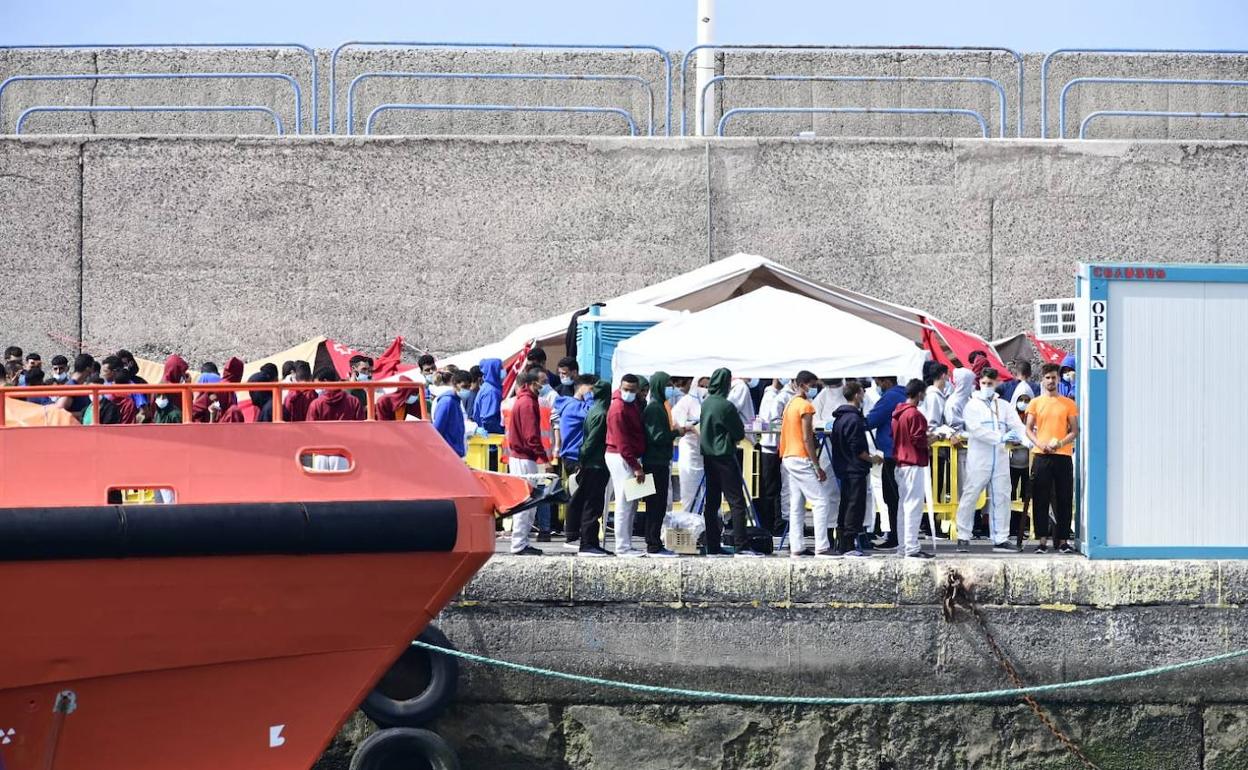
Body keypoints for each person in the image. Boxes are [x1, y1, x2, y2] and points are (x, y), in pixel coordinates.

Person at [955, 367, 1026, 553]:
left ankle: (1000, 538)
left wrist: (1029, 442)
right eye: (984, 383)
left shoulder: (1003, 406)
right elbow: (975, 429)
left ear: (997, 383)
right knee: (971, 494)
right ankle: (963, 536)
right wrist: (999, 437)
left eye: (990, 383)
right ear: (979, 383)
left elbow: (1018, 426)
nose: (987, 386)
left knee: (1002, 496)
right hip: (980, 458)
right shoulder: (972, 406)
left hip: (1000, 458)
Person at [699, 368, 759, 558]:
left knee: (712, 502)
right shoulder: (726, 406)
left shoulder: (706, 403)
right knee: (736, 501)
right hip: (724, 454)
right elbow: (739, 433)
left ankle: (713, 545)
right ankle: (741, 545)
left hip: (708, 456)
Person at [1025, 362, 1080, 554]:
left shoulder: (1068, 403)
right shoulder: (1035, 403)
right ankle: (1042, 541)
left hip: (1062, 455)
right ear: (1042, 380)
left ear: (1058, 379)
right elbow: (1028, 429)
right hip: (1041, 455)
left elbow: (1074, 431)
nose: (1051, 381)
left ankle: (1063, 540)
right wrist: (1040, 444)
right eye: (1047, 377)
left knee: (1064, 497)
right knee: (1040, 498)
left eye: (1054, 377)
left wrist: (1060, 443)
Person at [780, 371, 835, 557]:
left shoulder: (790, 404)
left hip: (788, 455)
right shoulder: (805, 406)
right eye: (812, 385)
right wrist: (816, 465)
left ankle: (797, 545)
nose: (814, 389)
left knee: (797, 503)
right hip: (801, 456)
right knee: (821, 501)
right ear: (804, 384)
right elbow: (807, 438)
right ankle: (822, 546)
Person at [831, 381, 881, 557]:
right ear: (857, 394)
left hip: (843, 467)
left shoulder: (839, 418)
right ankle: (848, 544)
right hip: (855, 469)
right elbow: (857, 448)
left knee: (846, 504)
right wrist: (872, 458)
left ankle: (842, 540)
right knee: (854, 505)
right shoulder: (854, 419)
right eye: (862, 392)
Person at [551, 374, 597, 550]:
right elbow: (590, 415)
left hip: (576, 455)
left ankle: (574, 533)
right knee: (577, 496)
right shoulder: (573, 407)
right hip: (574, 456)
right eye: (591, 389)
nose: (593, 393)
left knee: (579, 495)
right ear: (582, 388)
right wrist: (590, 398)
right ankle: (571, 536)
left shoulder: (574, 405)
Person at [568, 379, 613, 557]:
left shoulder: (593, 410)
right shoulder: (602, 413)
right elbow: (592, 440)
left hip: (591, 463)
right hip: (596, 464)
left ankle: (589, 541)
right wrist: (584, 457)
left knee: (589, 502)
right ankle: (588, 543)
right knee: (593, 504)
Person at [604, 374, 647, 557]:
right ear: (620, 387)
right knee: (624, 502)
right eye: (626, 389)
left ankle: (626, 543)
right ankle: (622, 546)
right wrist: (636, 466)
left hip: (627, 456)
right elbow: (622, 443)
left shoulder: (631, 405)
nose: (628, 392)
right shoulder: (618, 408)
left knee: (632, 502)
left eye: (632, 390)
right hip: (621, 457)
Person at [507, 371, 549, 555]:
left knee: (526, 502)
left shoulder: (522, 400)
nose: (542, 388)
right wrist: (544, 459)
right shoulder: (528, 403)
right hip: (525, 458)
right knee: (526, 503)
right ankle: (519, 544)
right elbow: (531, 435)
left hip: (521, 456)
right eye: (540, 384)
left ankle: (521, 542)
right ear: (532, 383)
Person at [892, 379, 934, 559]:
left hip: (901, 463)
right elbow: (919, 439)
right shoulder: (914, 415)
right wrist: (933, 438)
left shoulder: (898, 414)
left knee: (903, 507)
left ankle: (903, 546)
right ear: (919, 394)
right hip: (913, 463)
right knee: (913, 507)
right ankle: (911, 547)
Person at [639, 371, 679, 557]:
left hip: (659, 460)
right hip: (655, 462)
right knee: (656, 504)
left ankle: (654, 542)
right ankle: (653, 544)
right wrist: (676, 432)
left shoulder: (659, 406)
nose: (671, 389)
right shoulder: (655, 408)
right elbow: (657, 436)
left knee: (658, 504)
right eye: (668, 385)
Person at [866, 375, 907, 550]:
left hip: (891, 453)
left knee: (891, 497)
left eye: (879, 383)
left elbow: (871, 420)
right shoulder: (903, 393)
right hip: (902, 453)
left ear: (887, 382)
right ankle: (900, 535)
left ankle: (895, 537)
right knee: (901, 497)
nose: (878, 386)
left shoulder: (889, 397)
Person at [756, 378, 791, 535]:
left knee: (776, 487)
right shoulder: (772, 396)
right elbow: (770, 421)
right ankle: (772, 524)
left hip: (775, 446)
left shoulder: (777, 395)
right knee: (771, 488)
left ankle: (777, 522)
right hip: (770, 446)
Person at [671, 376, 706, 512]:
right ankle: (690, 523)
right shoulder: (685, 402)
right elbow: (675, 423)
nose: (704, 390)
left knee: (705, 493)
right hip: (690, 451)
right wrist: (690, 427)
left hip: (704, 452)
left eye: (707, 387)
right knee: (689, 491)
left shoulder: (709, 401)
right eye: (701, 386)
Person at [1008, 389, 1034, 549]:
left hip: (1027, 464)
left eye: (1026, 400)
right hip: (1012, 464)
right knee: (1010, 497)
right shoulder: (1011, 418)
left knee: (1026, 497)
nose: (1023, 403)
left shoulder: (1032, 418)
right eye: (1021, 400)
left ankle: (1022, 527)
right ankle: (1011, 527)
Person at [430, 370, 471, 456]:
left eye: (468, 387)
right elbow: (437, 430)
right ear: (455, 384)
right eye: (464, 386)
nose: (467, 390)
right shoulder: (447, 402)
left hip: (456, 452)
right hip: (448, 454)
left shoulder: (456, 401)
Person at [52, 354, 94, 418]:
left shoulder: (79, 386)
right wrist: (83, 414)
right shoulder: (71, 387)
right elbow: (59, 412)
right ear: (88, 369)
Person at [471, 358, 505, 434]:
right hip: (491, 438)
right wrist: (501, 431)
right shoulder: (491, 391)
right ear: (493, 370)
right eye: (501, 368)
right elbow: (488, 419)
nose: (503, 371)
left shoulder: (490, 387)